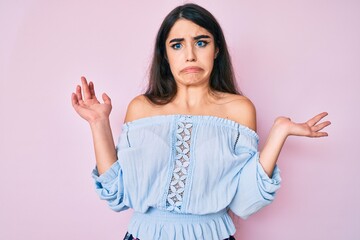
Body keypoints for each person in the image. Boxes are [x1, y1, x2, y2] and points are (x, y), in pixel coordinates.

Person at [71, 3, 330, 240]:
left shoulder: (239, 109)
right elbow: (117, 194)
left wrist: (279, 133)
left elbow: (243, 201)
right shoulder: (141, 108)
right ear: (165, 54)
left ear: (217, 49)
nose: (190, 55)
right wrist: (98, 122)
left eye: (201, 42)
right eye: (177, 45)